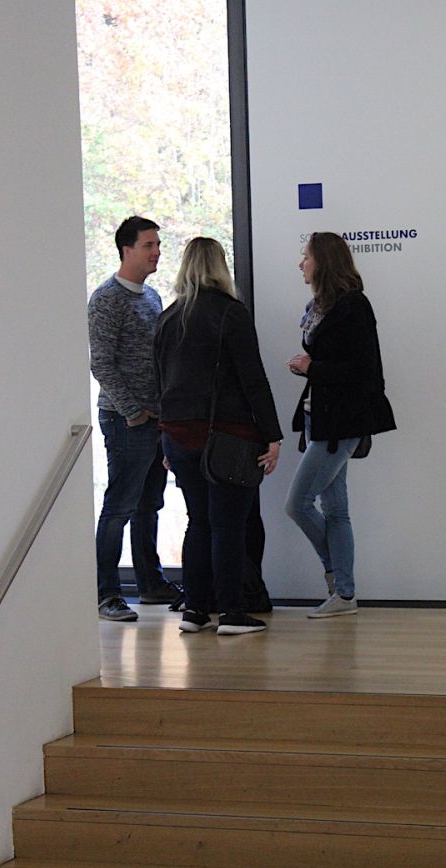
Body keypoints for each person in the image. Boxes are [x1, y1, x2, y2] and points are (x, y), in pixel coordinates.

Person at [154, 237, 282, 635]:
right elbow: (253, 379)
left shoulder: (169, 317)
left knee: (199, 522)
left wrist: (164, 440)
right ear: (220, 266)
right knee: (229, 526)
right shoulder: (231, 313)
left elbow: (159, 383)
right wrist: (272, 435)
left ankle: (194, 610)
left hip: (178, 435)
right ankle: (231, 613)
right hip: (228, 435)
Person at [285, 231, 396, 618]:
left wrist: (312, 367)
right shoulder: (319, 307)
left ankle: (337, 577)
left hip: (341, 423)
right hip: (320, 417)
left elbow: (364, 371)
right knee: (335, 509)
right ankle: (344, 595)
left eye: (307, 256)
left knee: (297, 504)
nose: (301, 264)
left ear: (325, 262)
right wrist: (310, 368)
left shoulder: (353, 306)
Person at [89, 215, 181, 622]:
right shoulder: (106, 299)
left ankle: (151, 583)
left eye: (158, 244)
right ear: (126, 250)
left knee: (150, 505)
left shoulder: (153, 297)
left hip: (156, 421)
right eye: (149, 245)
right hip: (126, 421)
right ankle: (107, 594)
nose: (157, 251)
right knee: (119, 508)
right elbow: (101, 364)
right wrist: (132, 411)